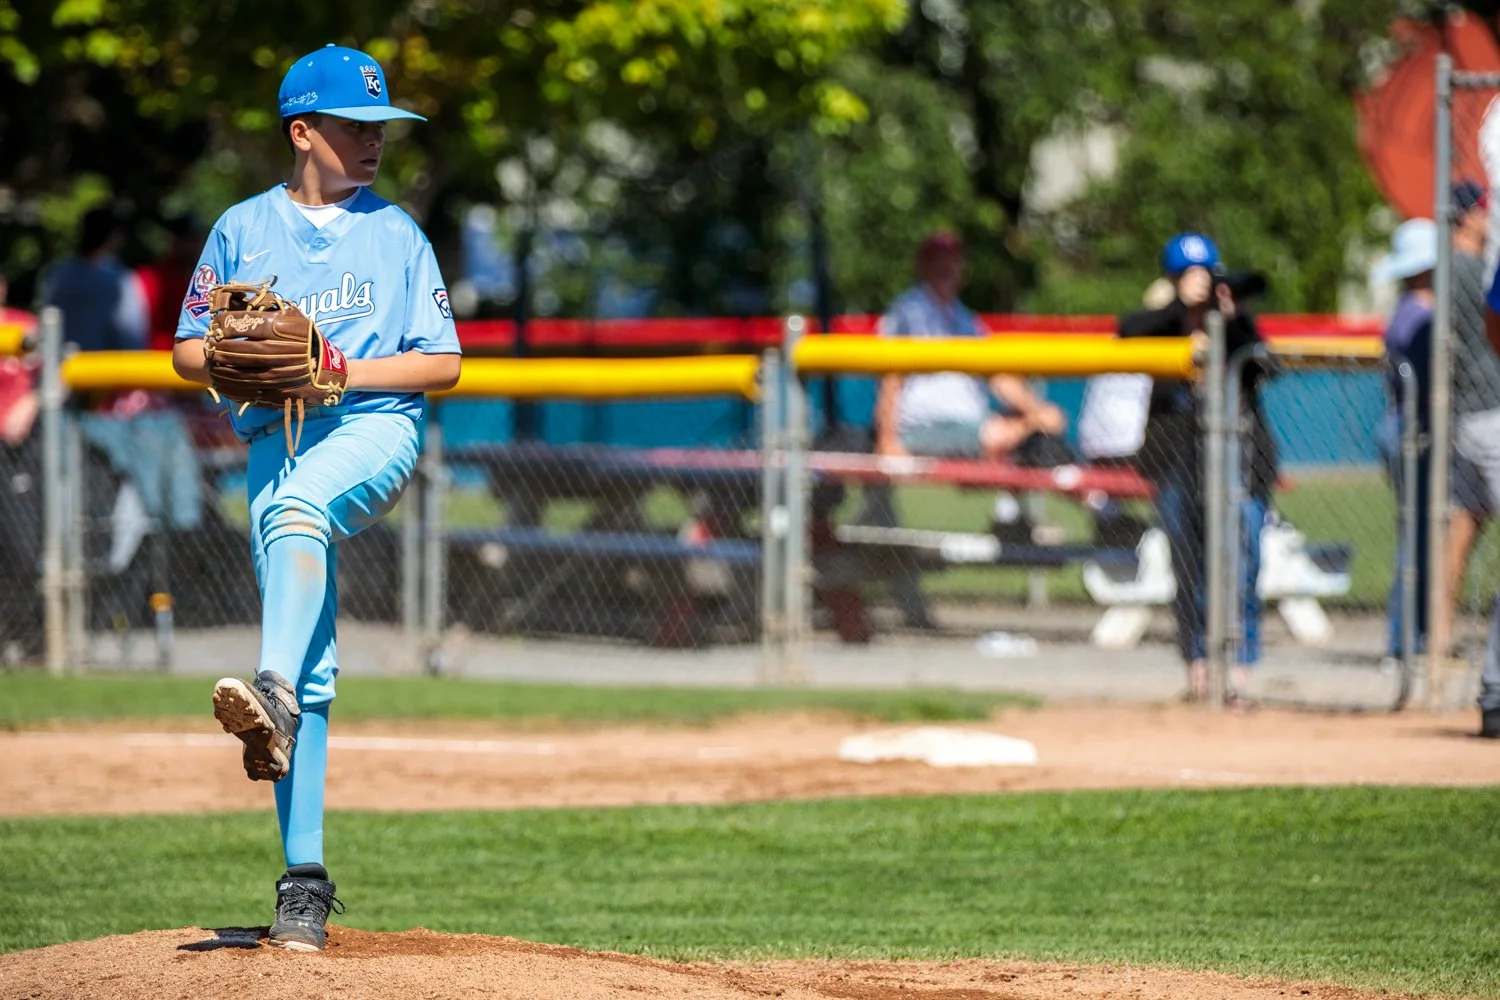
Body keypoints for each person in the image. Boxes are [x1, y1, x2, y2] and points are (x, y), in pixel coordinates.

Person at [172, 45, 461, 950]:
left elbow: (444, 362)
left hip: (372, 427)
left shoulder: (397, 234)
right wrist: (227, 358)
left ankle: (274, 694)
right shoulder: (242, 230)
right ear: (304, 131)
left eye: (380, 128)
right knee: (310, 666)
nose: (373, 141)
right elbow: (186, 350)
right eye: (353, 126)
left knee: (300, 519)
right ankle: (304, 882)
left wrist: (339, 369)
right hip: (273, 441)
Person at [1118, 232, 1275, 705]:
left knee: (1242, 562)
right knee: (1188, 566)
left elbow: (1267, 366)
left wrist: (1229, 317)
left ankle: (1240, 667)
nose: (1199, 284)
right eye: (1188, 276)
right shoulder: (1163, 325)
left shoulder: (1235, 326)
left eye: (1204, 275)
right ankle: (1199, 665)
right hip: (1176, 463)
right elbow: (1125, 330)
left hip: (1242, 466)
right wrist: (1180, 311)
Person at [1370, 219, 1436, 661]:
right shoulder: (1417, 313)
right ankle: (1404, 643)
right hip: (1410, 429)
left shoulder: (1412, 308)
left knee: (1423, 536)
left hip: (1407, 427)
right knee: (1417, 538)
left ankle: (1416, 638)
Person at [1443, 181, 1500, 655]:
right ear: (1468, 216)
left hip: (1464, 413)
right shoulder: (1476, 269)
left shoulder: (1444, 270)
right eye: (1484, 210)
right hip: (1492, 412)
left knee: (1462, 528)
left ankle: (1438, 642)